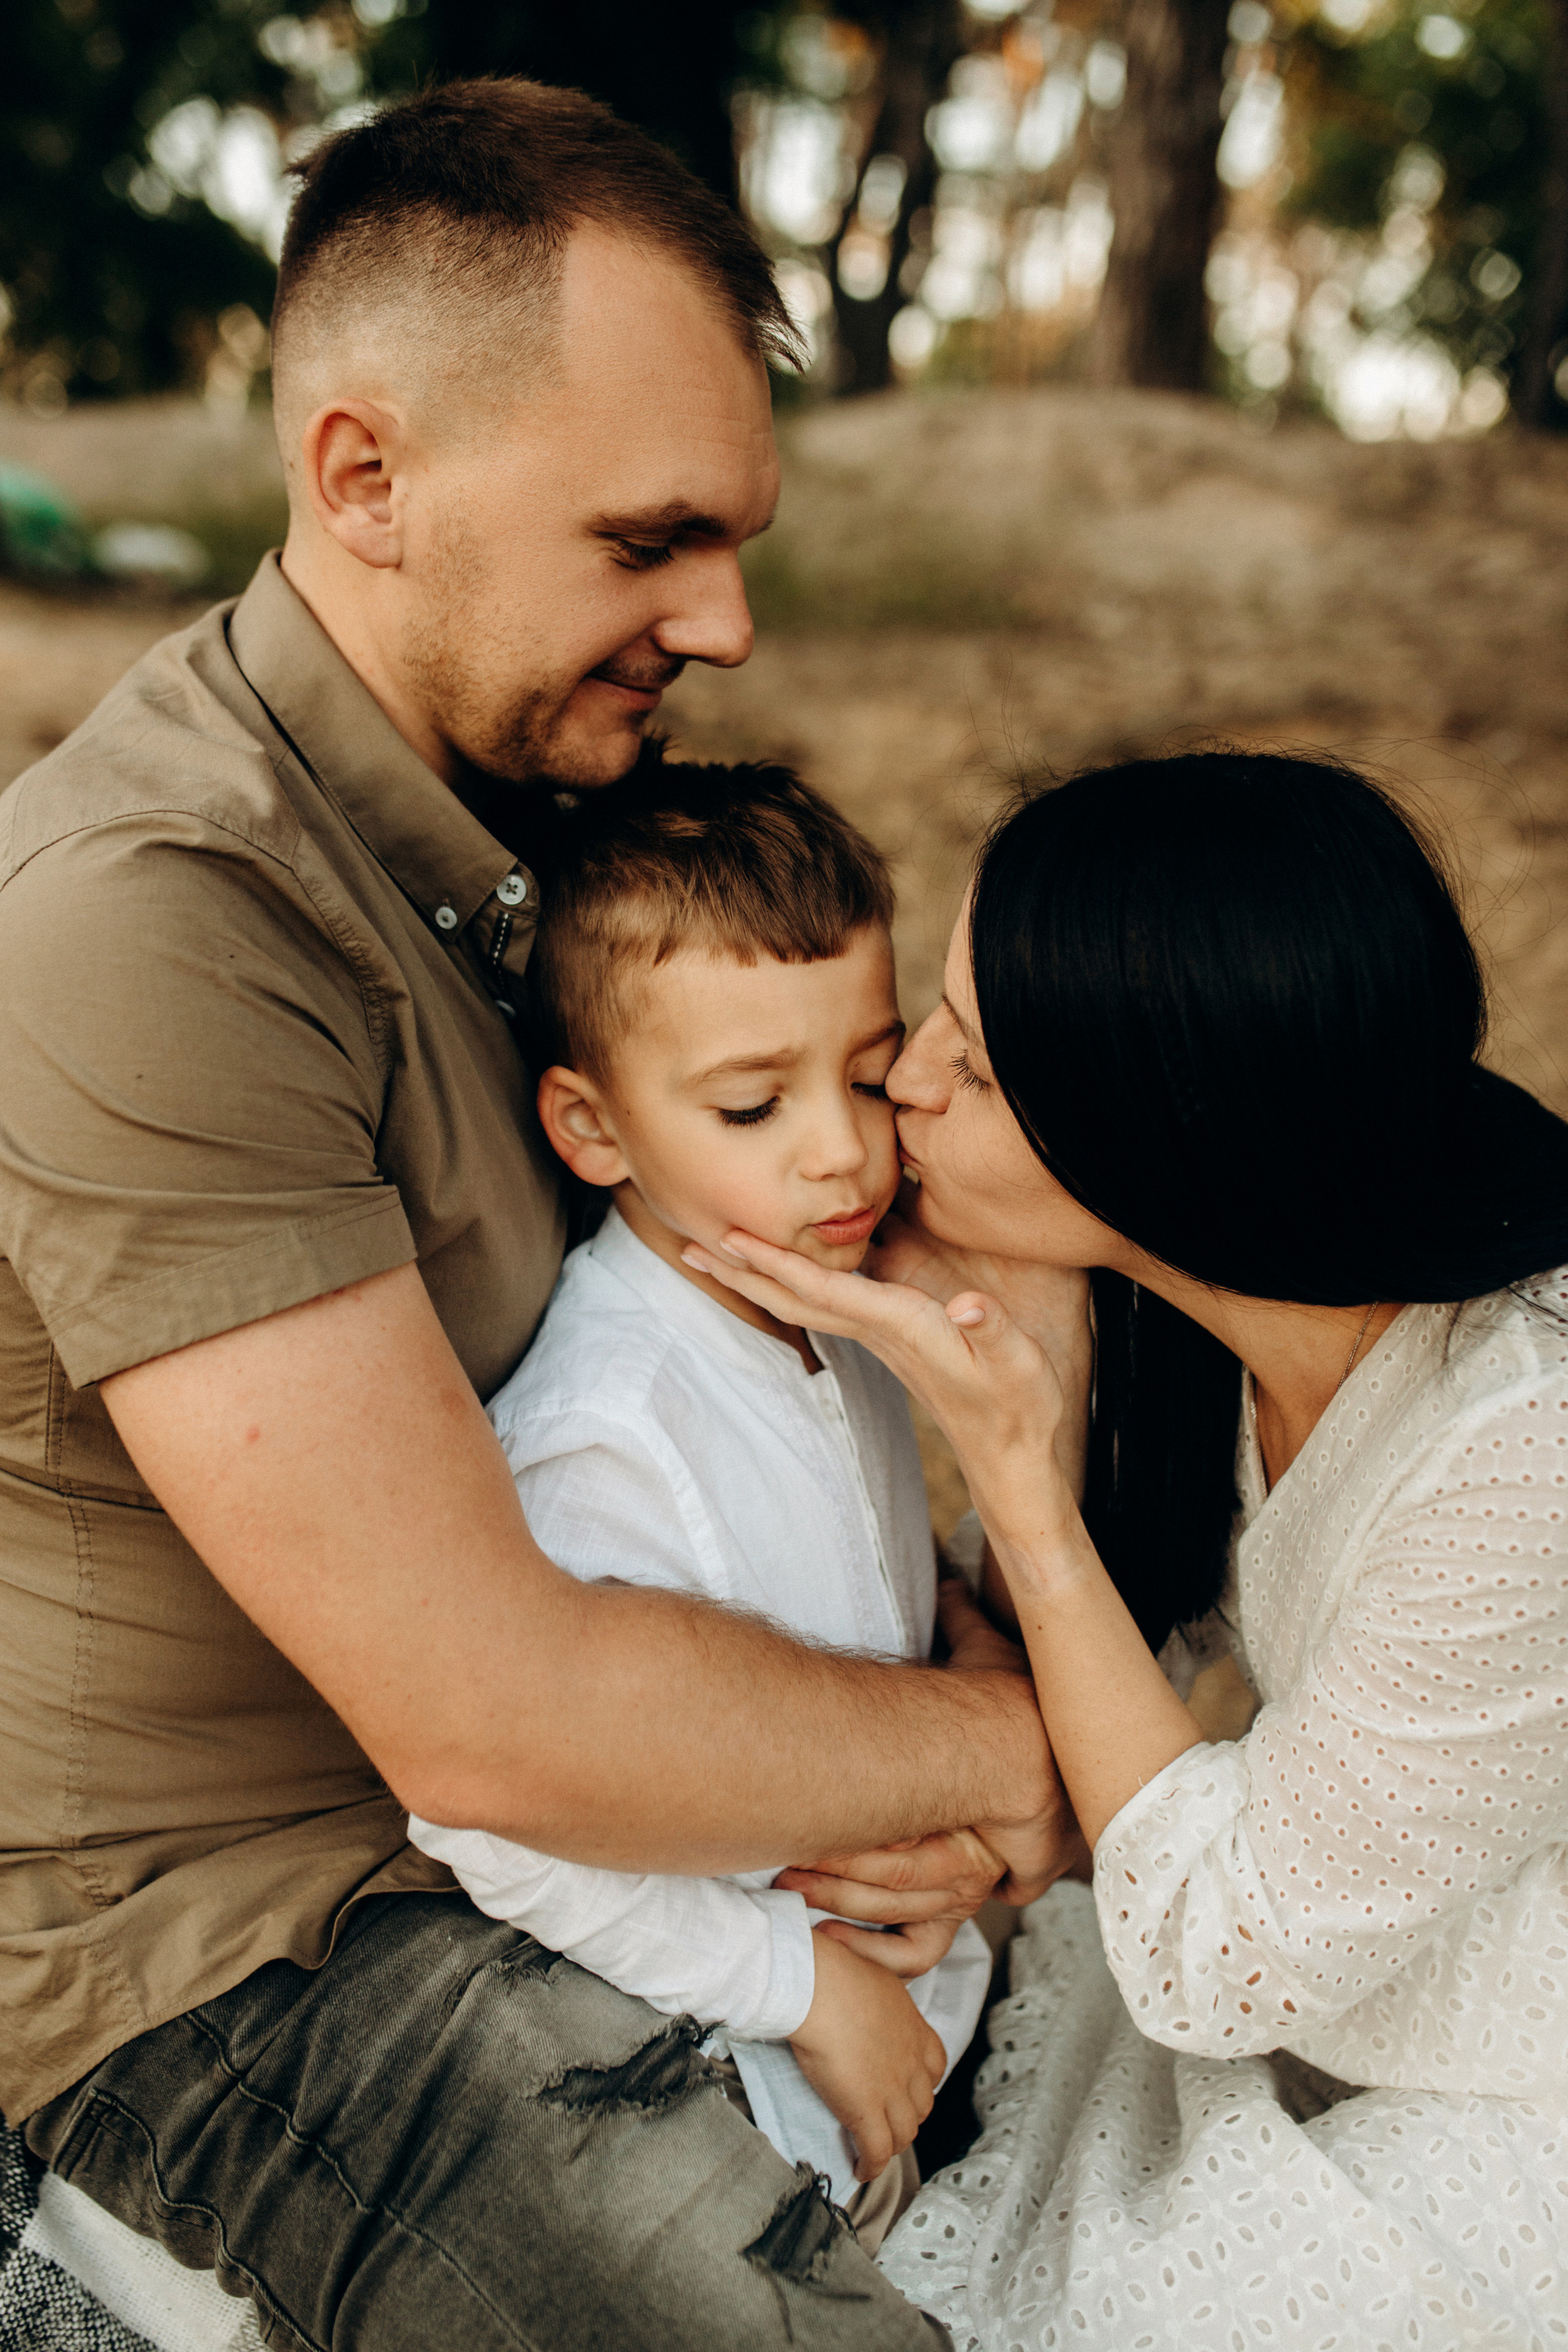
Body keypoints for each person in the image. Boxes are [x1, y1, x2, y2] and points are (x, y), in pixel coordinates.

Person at [0, 79, 1079, 2352]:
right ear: (363, 480)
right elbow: (492, 1724)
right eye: (651, 539)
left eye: (740, 536)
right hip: (249, 1923)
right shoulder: (152, 921)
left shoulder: (560, 833)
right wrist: (1042, 1761)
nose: (732, 618)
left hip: (620, 1794)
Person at [682, 748, 1568, 2350]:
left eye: (985, 1069)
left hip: (1511, 2079)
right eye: (941, 1019)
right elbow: (1126, 1680)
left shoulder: (1524, 1446)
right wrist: (1053, 1354)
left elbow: (1221, 1966)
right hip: (1327, 1965)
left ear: (1170, 1134)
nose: (907, 1087)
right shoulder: (1234, 1280)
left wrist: (1019, 1473)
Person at [409, 761, 994, 2246]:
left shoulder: (814, 1289)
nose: (839, 1150)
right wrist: (800, 1989)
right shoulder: (603, 1431)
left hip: (931, 2007)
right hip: (758, 2088)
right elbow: (496, 1829)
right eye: (751, 1104)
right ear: (593, 1131)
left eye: (866, 1074)